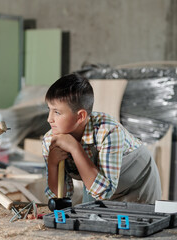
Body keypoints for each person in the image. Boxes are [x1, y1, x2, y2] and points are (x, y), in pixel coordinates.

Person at [42, 73, 161, 204]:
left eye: (57, 112)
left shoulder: (108, 131)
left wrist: (75, 148)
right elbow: (61, 196)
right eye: (49, 109)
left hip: (138, 183)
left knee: (137, 221)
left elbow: (104, 192)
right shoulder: (51, 140)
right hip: (97, 184)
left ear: (80, 116)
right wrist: (52, 164)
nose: (49, 119)